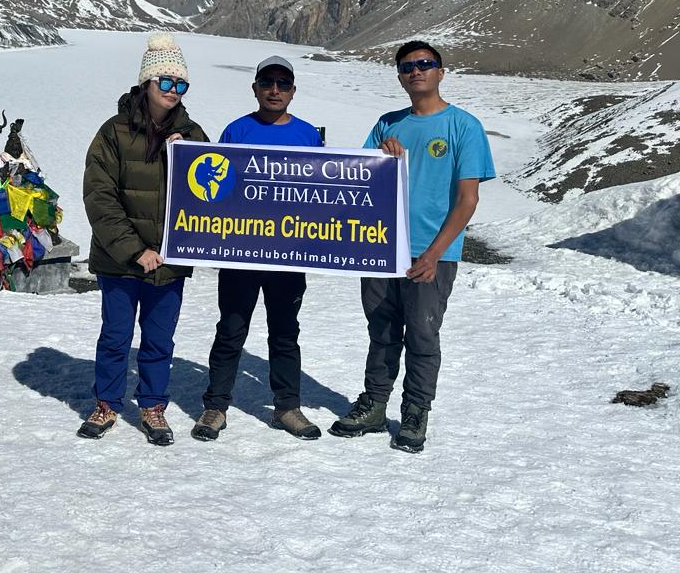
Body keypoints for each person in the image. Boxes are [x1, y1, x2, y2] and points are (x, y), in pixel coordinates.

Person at [329, 40, 495, 453]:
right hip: (382, 248)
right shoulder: (388, 125)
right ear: (400, 76)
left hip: (431, 252)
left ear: (441, 71)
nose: (416, 71)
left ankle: (416, 411)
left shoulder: (463, 126)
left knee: (422, 334)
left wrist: (435, 253)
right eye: (407, 67)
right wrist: (383, 161)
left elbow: (467, 199)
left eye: (425, 64)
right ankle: (374, 404)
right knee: (382, 331)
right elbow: (360, 181)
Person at [79, 34, 209, 446]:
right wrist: (135, 250)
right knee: (116, 336)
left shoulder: (192, 134)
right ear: (146, 83)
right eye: (165, 82)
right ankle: (107, 403)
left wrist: (188, 154)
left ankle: (152, 404)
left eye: (180, 84)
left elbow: (212, 190)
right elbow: (100, 197)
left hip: (169, 260)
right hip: (123, 260)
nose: (173, 91)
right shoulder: (114, 132)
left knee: (158, 339)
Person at [191, 55, 324, 442]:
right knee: (231, 330)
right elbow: (216, 187)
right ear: (255, 88)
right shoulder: (236, 130)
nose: (275, 90)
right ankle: (215, 406)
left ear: (293, 91)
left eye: (283, 84)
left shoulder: (307, 136)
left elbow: (321, 195)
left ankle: (287, 407)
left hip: (287, 254)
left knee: (285, 333)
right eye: (268, 83)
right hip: (240, 253)